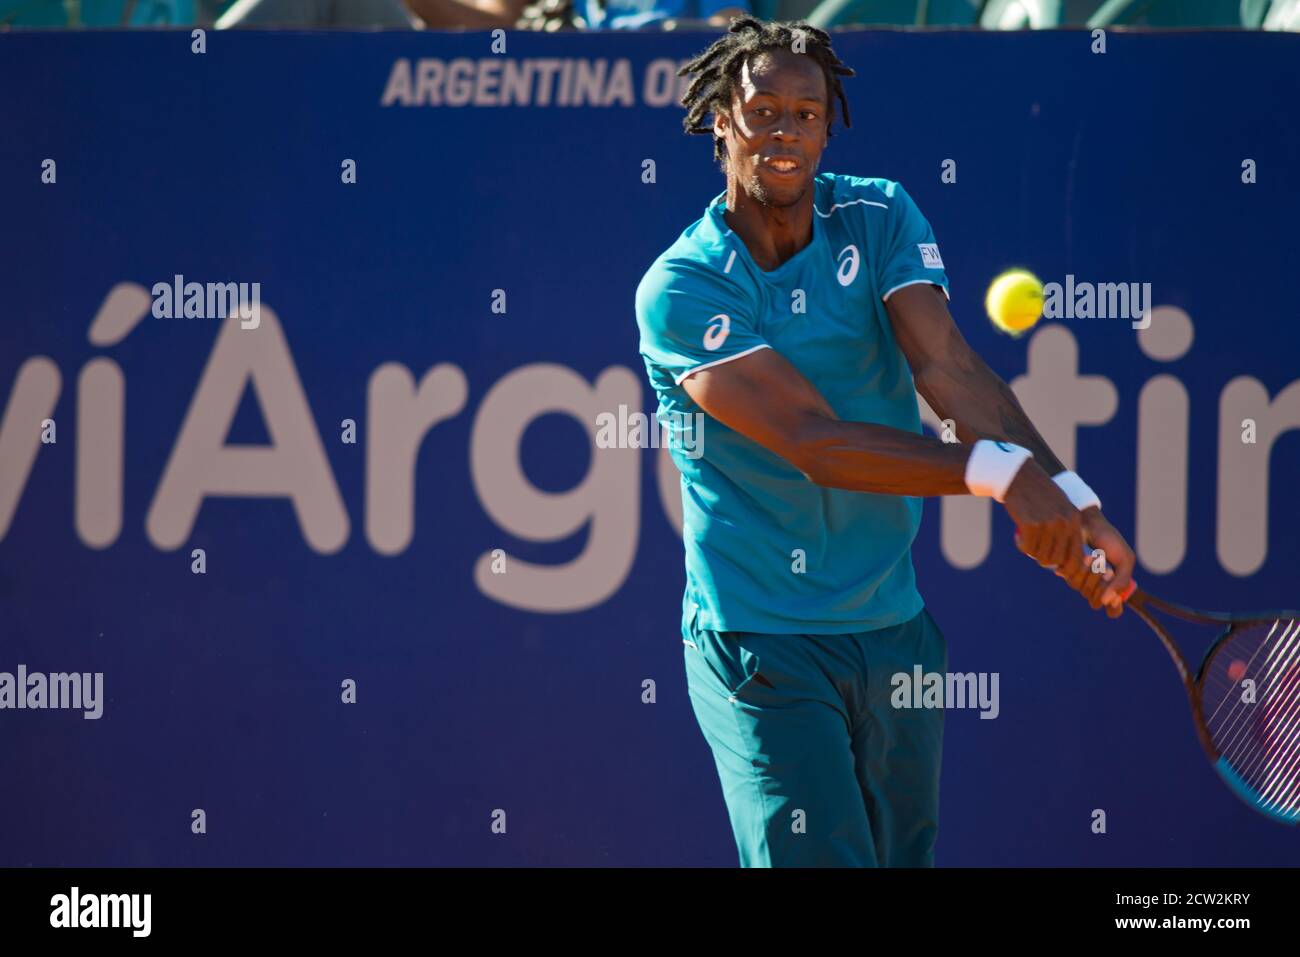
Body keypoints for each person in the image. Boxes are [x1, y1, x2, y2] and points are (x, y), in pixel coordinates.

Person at [634, 16, 1136, 867]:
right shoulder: (682, 287)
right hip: (762, 645)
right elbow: (813, 442)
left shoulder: (879, 213)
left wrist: (1073, 498)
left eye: (807, 112)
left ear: (829, 126)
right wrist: (999, 474)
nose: (786, 131)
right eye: (764, 110)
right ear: (722, 119)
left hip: (894, 632)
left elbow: (947, 366)